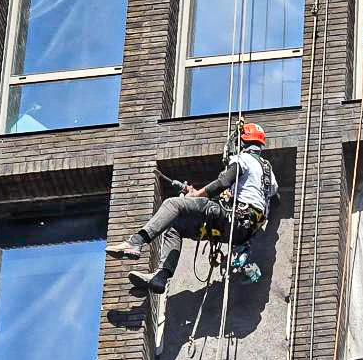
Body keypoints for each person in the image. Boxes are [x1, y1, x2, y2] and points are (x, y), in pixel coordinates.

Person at [107, 122, 278, 294]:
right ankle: (161, 276)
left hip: (231, 219)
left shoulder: (243, 160)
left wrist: (196, 196)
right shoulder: (268, 171)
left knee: (172, 204)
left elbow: (223, 183)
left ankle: (135, 242)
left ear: (242, 142)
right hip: (242, 233)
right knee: (175, 228)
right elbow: (272, 198)